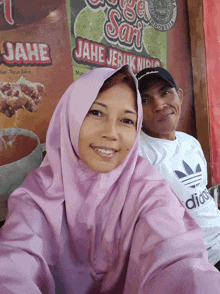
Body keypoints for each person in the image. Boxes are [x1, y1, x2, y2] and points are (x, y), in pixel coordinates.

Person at [0, 65, 219, 294]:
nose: (111, 133)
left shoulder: (146, 186)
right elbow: (14, 260)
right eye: (96, 113)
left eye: (126, 120)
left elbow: (177, 258)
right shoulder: (38, 192)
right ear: (70, 117)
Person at [137, 66, 220, 271]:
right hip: (198, 259)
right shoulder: (137, 152)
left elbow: (200, 193)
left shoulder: (189, 142)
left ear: (179, 95)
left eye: (165, 92)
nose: (159, 105)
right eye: (146, 100)